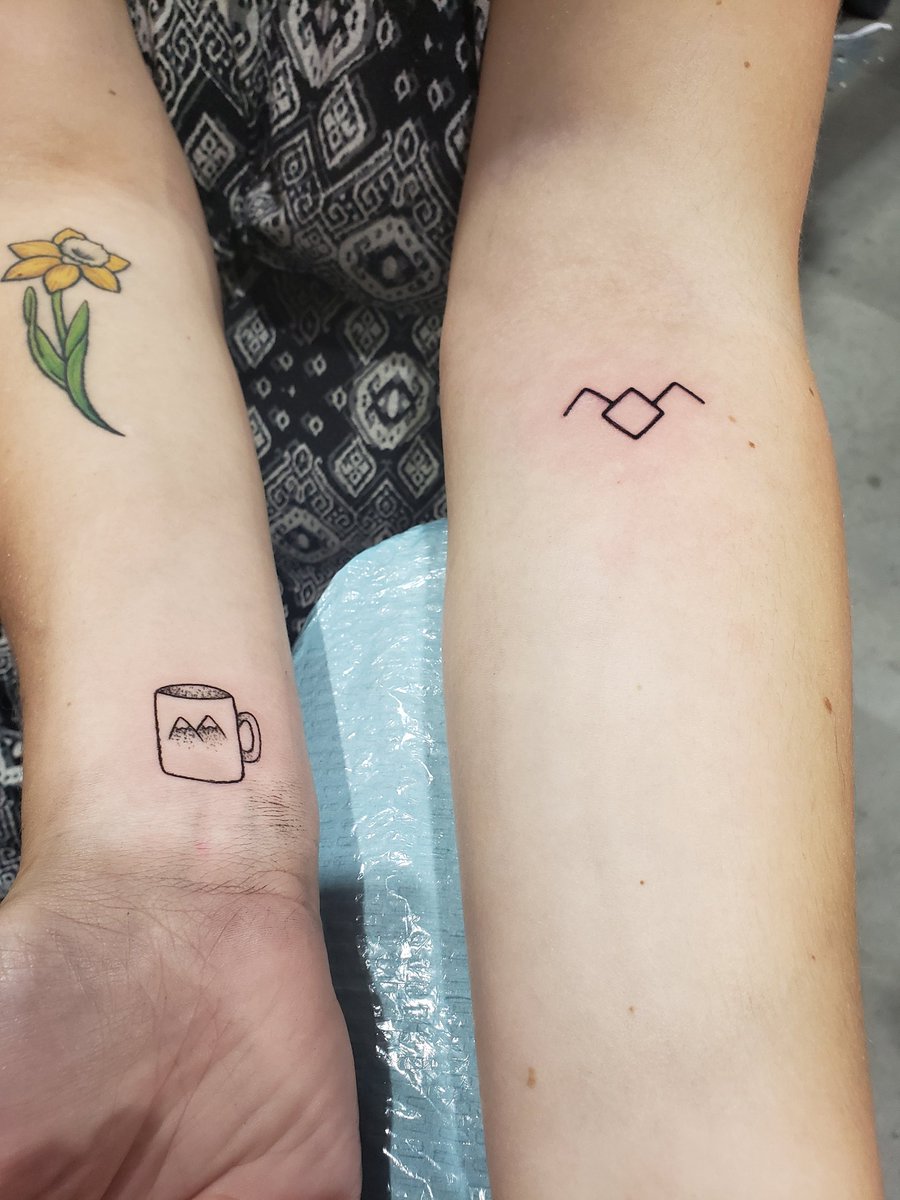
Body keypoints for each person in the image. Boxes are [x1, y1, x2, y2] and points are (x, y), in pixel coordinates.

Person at [0, 1, 885, 1197]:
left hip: (494, 522)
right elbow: (49, 170)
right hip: (83, 543)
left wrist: (678, 1137)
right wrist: (174, 864)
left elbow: (628, 263)